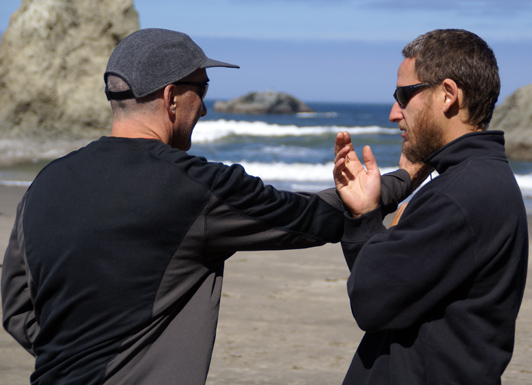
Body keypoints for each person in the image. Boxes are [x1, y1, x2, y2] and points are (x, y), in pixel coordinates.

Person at [2, 28, 416, 385]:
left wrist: (78, 355)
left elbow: (17, 304)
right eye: (201, 91)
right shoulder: (195, 186)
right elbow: (316, 219)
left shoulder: (44, 183)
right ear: (171, 99)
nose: (205, 106)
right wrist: (406, 176)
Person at [333, 29, 529, 385]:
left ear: (449, 95)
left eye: (403, 95)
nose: (395, 113)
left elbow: (371, 300)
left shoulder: (458, 195)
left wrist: (365, 219)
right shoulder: (477, 180)